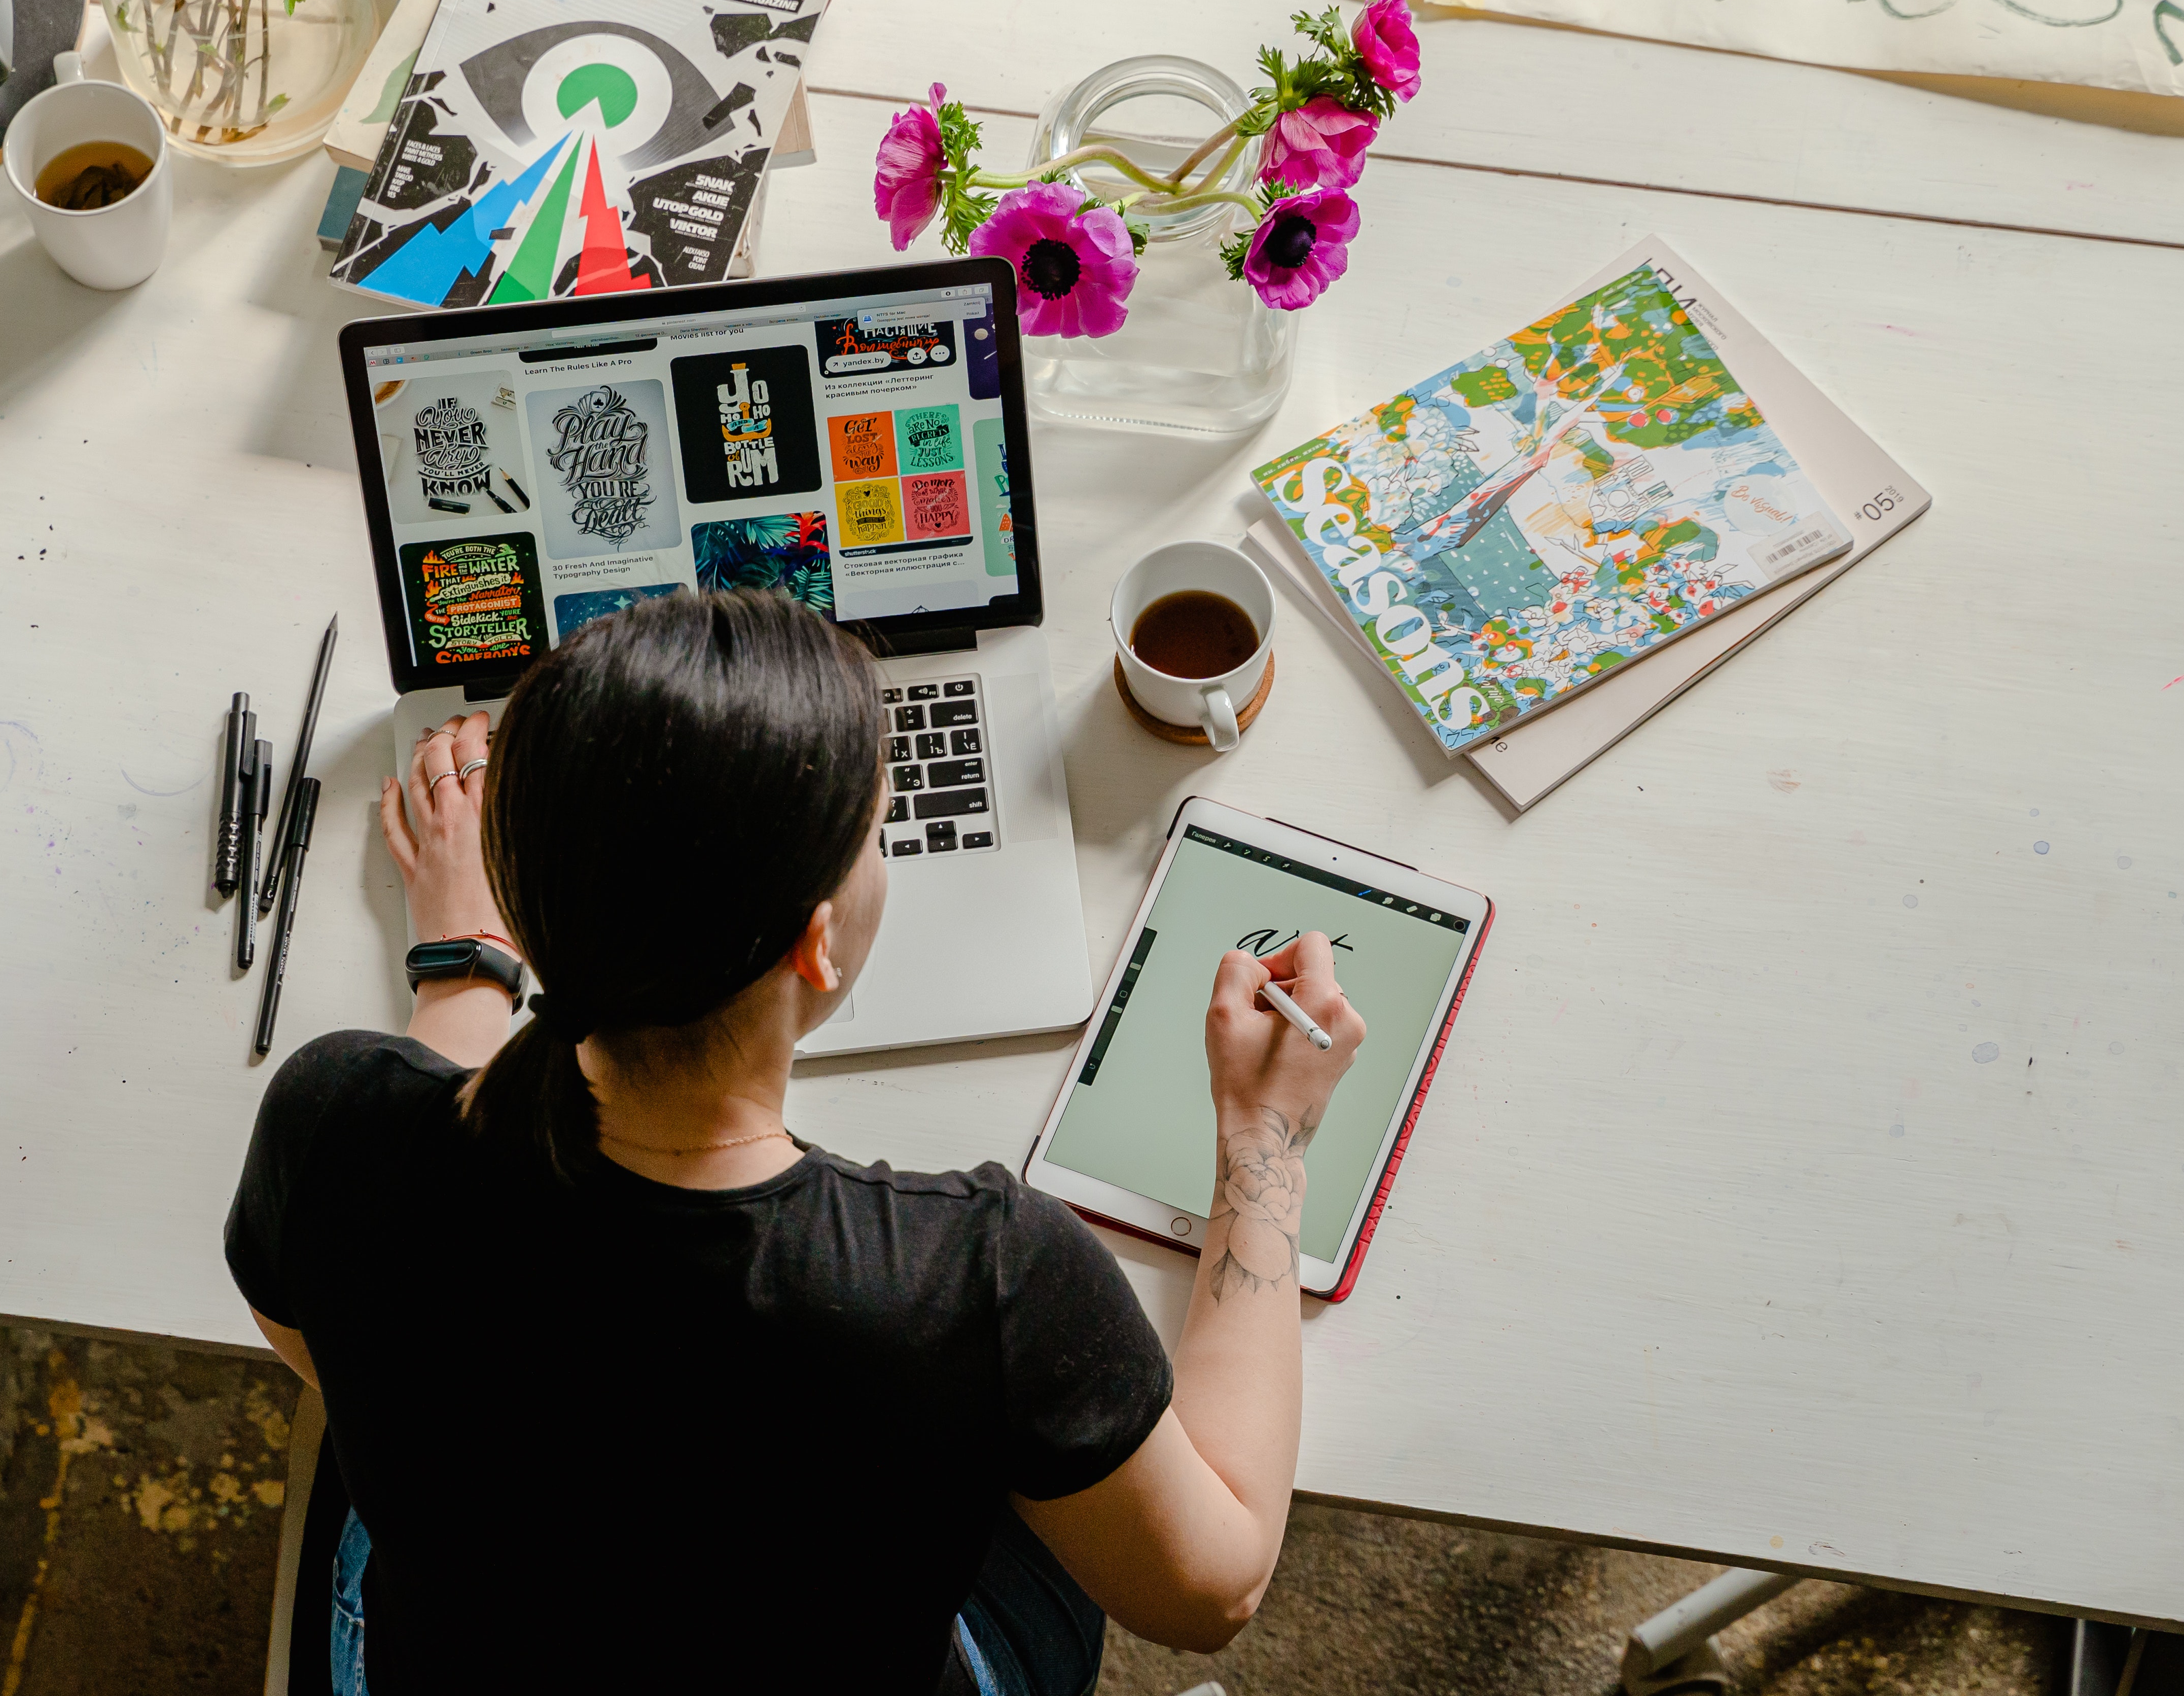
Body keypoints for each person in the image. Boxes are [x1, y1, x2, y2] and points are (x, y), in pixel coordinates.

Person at [226, 590, 1367, 1695]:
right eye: (877, 831)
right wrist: (1263, 1135)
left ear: (529, 899)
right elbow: (1210, 1590)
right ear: (816, 944)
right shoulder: (974, 1278)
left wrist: (463, 958)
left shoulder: (333, 1118)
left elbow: (318, 1336)